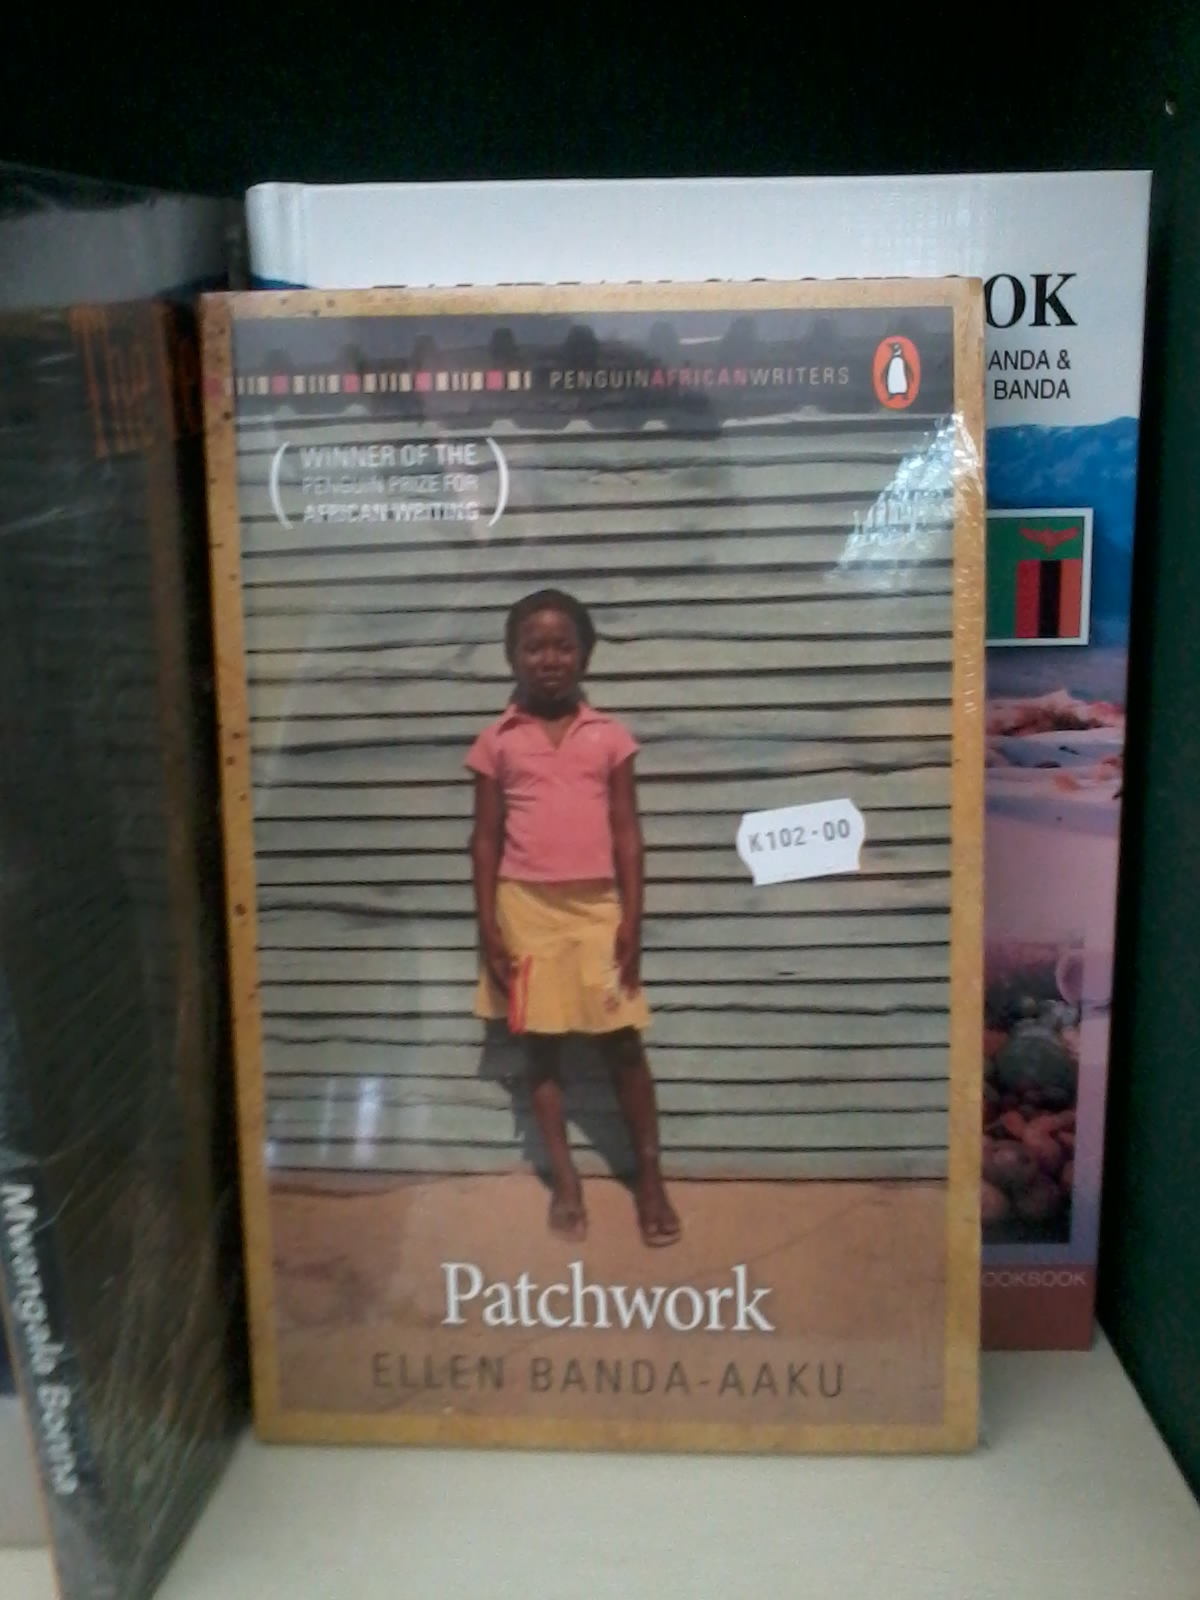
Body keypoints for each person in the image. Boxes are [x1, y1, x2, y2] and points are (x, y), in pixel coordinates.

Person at [465, 587, 681, 1248]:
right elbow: (484, 840)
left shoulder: (609, 737)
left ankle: (650, 1179)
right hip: (525, 911)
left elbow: (629, 835)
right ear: (512, 656)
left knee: (623, 1044)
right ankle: (565, 1181)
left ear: (586, 654)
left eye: (563, 646)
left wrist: (632, 919)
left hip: (596, 911)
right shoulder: (496, 742)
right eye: (534, 647)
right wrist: (488, 927)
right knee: (542, 1048)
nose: (549, 659)